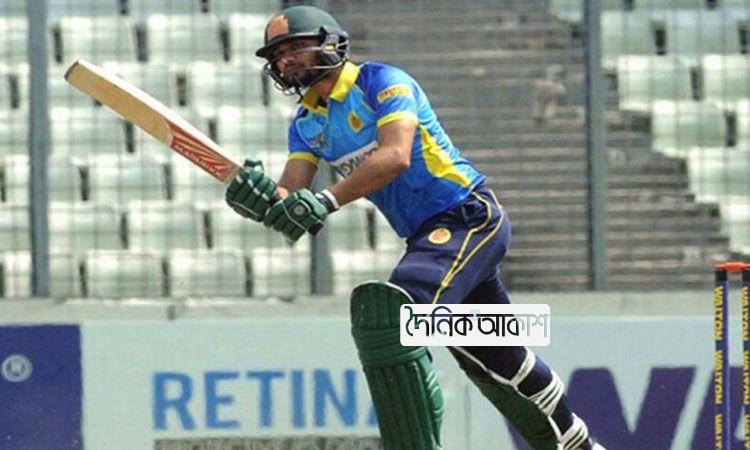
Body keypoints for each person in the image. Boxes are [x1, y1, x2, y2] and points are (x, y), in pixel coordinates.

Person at [225, 5, 604, 450]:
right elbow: (291, 196)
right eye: (277, 55)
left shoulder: (382, 82)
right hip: (428, 239)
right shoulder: (307, 122)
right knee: (496, 359)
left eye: (295, 47)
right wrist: (258, 201)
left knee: (392, 315)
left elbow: (396, 156)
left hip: (467, 216)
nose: (285, 60)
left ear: (329, 42)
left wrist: (325, 201)